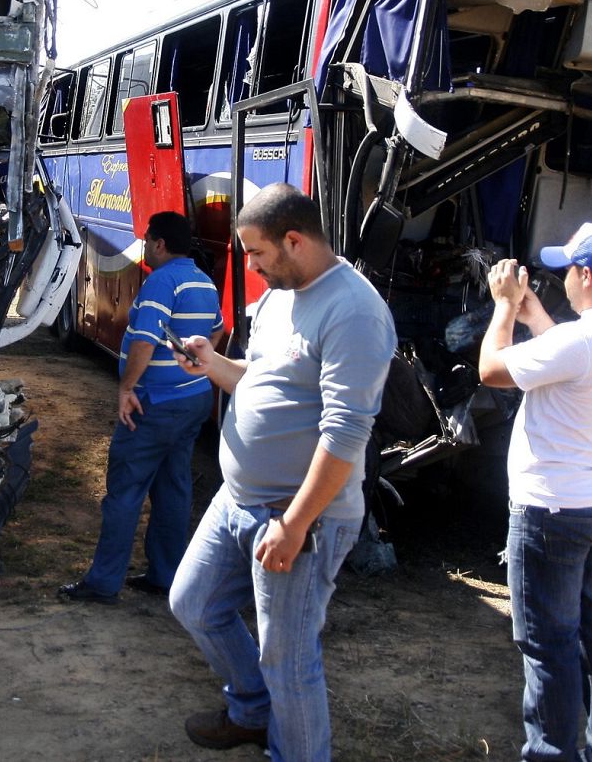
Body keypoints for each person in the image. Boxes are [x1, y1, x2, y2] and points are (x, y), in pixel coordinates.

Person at [166, 184, 395, 761]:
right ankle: (251, 711)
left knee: (288, 660)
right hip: (239, 500)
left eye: (257, 253)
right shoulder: (277, 296)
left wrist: (294, 524)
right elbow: (261, 380)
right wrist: (213, 363)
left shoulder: (355, 311)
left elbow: (345, 434)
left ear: (295, 240)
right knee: (193, 603)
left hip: (300, 517)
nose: (250, 265)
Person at [477, 223, 592, 762]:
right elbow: (566, 351)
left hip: (551, 514)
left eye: (567, 270)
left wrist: (504, 307)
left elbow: (492, 369)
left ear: (586, 274)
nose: (563, 279)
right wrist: (534, 309)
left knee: (548, 646)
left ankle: (551, 754)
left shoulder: (580, 341)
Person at [60, 210, 223, 604]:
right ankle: (166, 575)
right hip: (193, 400)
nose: (145, 245)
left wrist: (126, 387)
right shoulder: (203, 280)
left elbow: (144, 340)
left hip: (154, 405)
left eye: (148, 239)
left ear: (161, 244)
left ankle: (103, 583)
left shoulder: (160, 282)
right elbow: (216, 327)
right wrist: (199, 362)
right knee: (173, 489)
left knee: (125, 493)